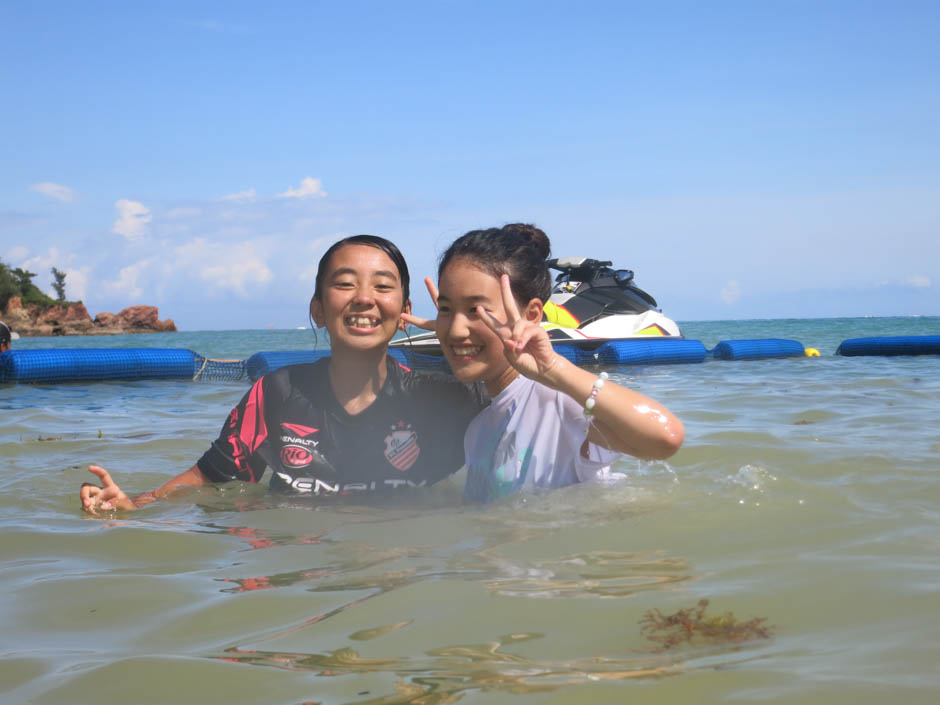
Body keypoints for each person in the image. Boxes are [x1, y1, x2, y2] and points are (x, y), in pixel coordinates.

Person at [80, 235, 487, 514]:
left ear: (404, 312)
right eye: (345, 284)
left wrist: (468, 333)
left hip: (399, 574)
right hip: (305, 574)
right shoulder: (278, 393)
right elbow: (208, 477)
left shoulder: (440, 400)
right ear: (317, 309)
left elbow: (529, 410)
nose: (364, 298)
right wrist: (136, 504)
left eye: (383, 287)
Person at [403, 224, 684, 503]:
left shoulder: (558, 404)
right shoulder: (478, 431)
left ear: (532, 314)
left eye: (477, 310)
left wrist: (554, 369)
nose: (455, 330)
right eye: (446, 309)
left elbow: (665, 438)